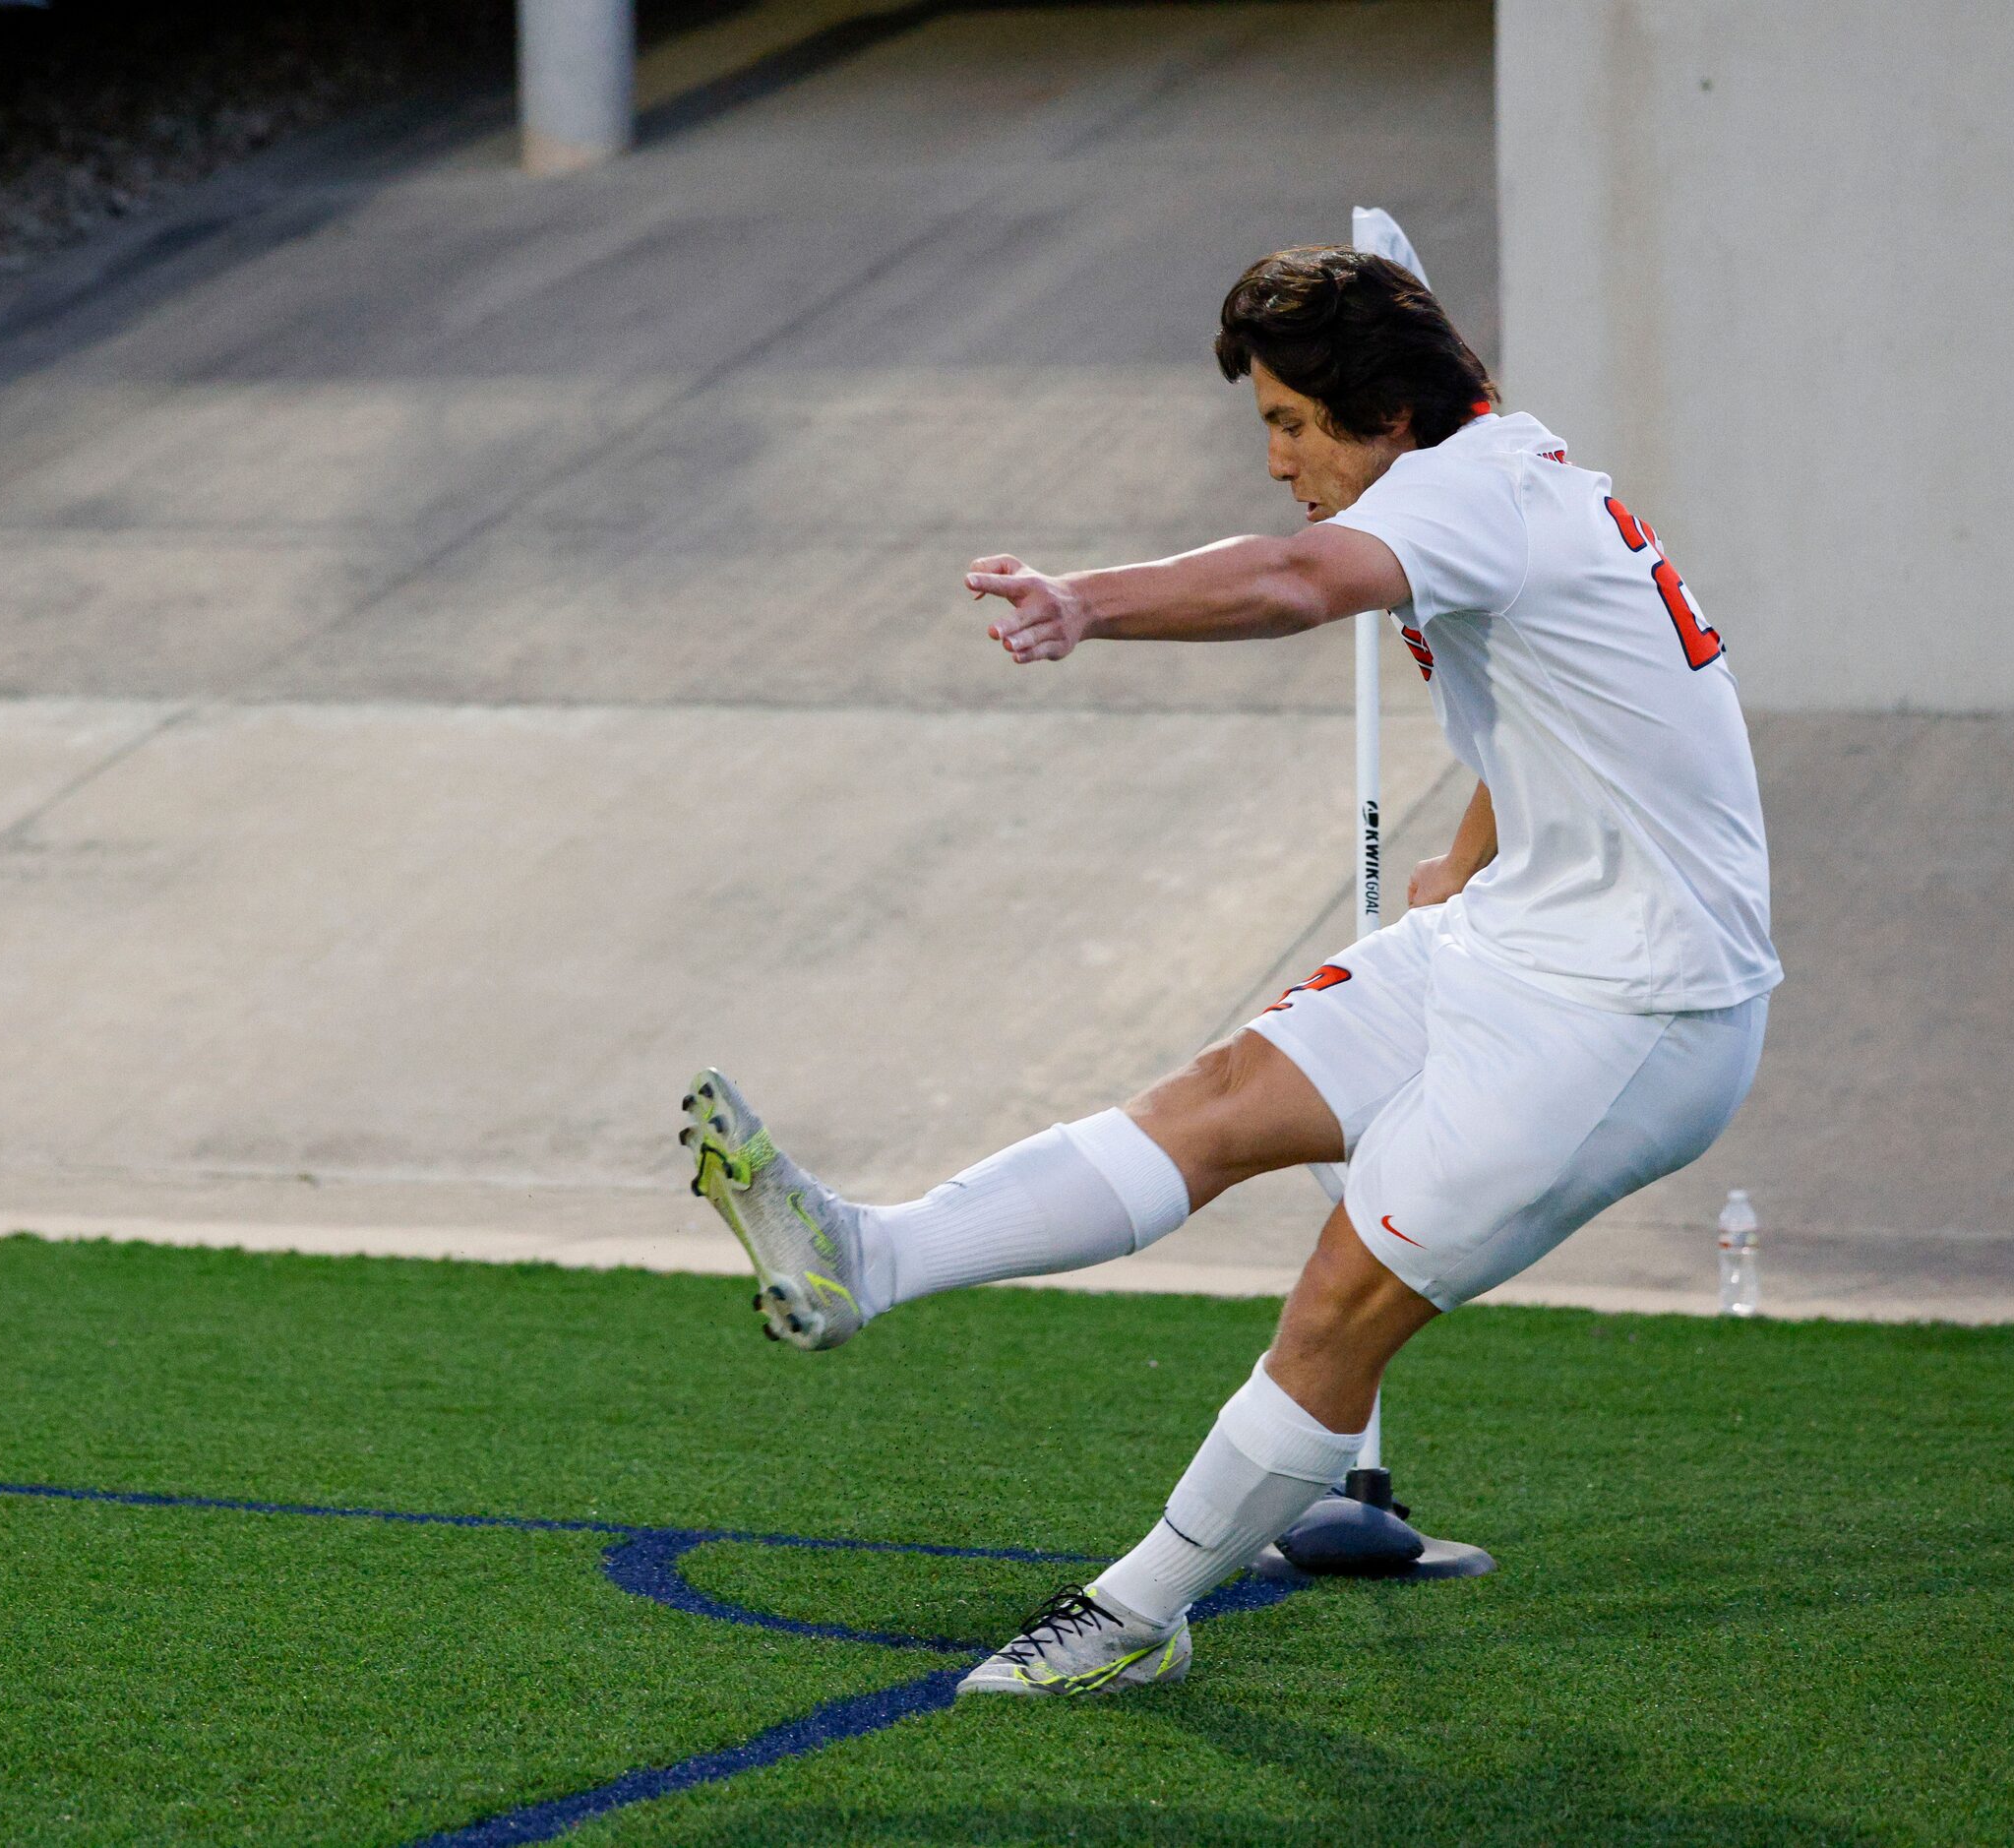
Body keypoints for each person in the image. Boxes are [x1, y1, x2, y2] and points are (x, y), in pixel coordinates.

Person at [677, 245, 1779, 1698]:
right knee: (1219, 1098)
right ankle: (862, 1258)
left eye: (1289, 422)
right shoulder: (1507, 480)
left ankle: (1135, 1616)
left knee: (1338, 1305)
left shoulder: (1465, 495)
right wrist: (1471, 855)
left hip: (1641, 1011)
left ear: (1387, 413)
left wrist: (1086, 601)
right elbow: (1588, 703)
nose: (1274, 460)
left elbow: (1285, 582)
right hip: (1518, 940)